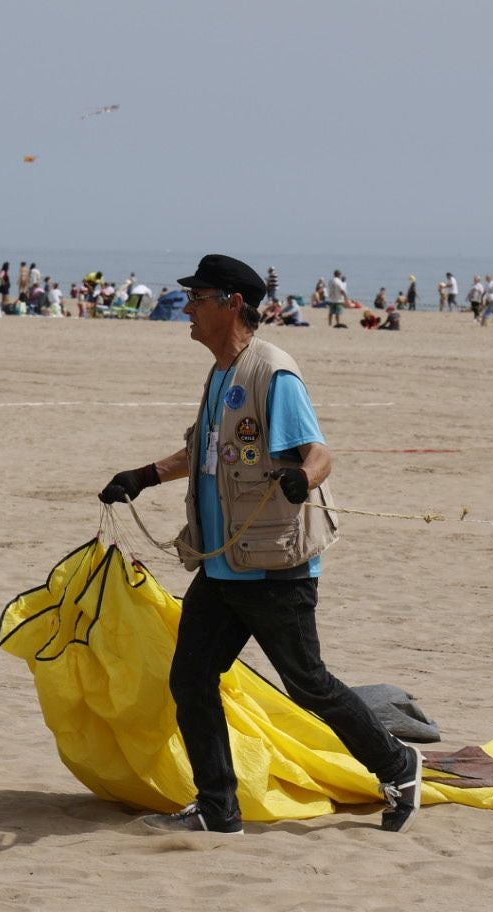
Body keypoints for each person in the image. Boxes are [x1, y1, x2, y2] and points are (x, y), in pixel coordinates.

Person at [97, 253, 422, 835]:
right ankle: (219, 808)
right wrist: (142, 476)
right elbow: (203, 455)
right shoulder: (221, 372)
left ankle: (399, 766)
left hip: (275, 570)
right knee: (191, 680)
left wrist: (304, 478)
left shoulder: (273, 372)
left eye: (197, 300)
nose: (187, 311)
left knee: (309, 685)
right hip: (223, 569)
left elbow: (318, 452)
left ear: (232, 304)